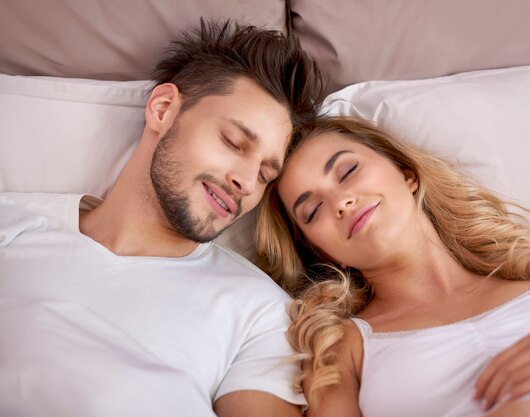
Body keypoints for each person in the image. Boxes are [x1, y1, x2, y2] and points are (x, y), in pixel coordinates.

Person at [0, 19, 324, 416]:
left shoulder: (262, 313)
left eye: (264, 175)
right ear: (163, 109)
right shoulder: (12, 225)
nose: (245, 182)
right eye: (233, 142)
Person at [255, 116, 530, 417]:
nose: (340, 201)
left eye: (348, 171)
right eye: (313, 210)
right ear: (324, 253)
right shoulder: (339, 348)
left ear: (406, 173)